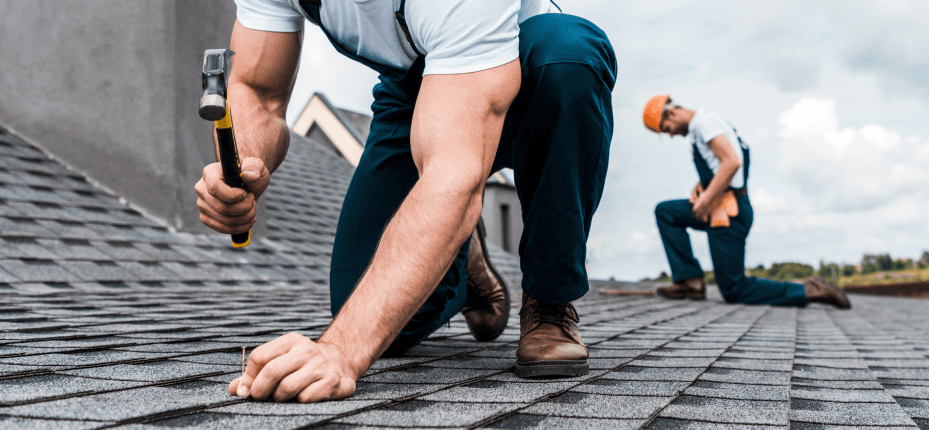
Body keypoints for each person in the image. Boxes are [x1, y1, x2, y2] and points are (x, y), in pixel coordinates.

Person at [194, 0, 616, 403]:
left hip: (529, 67)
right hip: (413, 88)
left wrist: (340, 351)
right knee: (373, 314)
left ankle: (550, 300)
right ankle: (462, 259)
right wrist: (245, 167)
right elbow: (258, 91)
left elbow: (453, 175)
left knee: (568, 58)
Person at [642, 95, 849, 309]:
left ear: (672, 113)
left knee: (734, 289)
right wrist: (702, 185)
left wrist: (704, 201)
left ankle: (809, 290)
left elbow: (732, 162)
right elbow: (726, 161)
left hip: (729, 214)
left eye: (666, 128)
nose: (671, 134)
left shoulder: (703, 124)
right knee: (667, 212)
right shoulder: (705, 124)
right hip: (719, 207)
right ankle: (689, 281)